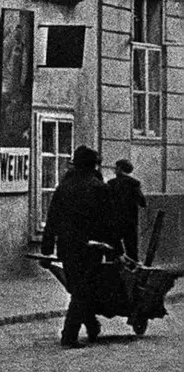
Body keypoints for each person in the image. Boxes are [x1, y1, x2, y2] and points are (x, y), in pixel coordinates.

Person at [39, 145, 118, 348]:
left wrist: (47, 250)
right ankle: (69, 335)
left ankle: (91, 325)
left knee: (78, 288)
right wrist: (116, 251)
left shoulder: (63, 188)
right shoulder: (99, 188)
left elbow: (52, 220)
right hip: (91, 248)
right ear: (94, 166)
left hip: (66, 247)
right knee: (83, 289)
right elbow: (109, 222)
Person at [106, 158, 146, 261]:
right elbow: (142, 202)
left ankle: (113, 271)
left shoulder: (111, 183)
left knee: (113, 248)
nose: (115, 170)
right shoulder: (134, 183)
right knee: (131, 248)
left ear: (120, 168)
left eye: (116, 168)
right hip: (130, 221)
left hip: (114, 220)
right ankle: (133, 270)